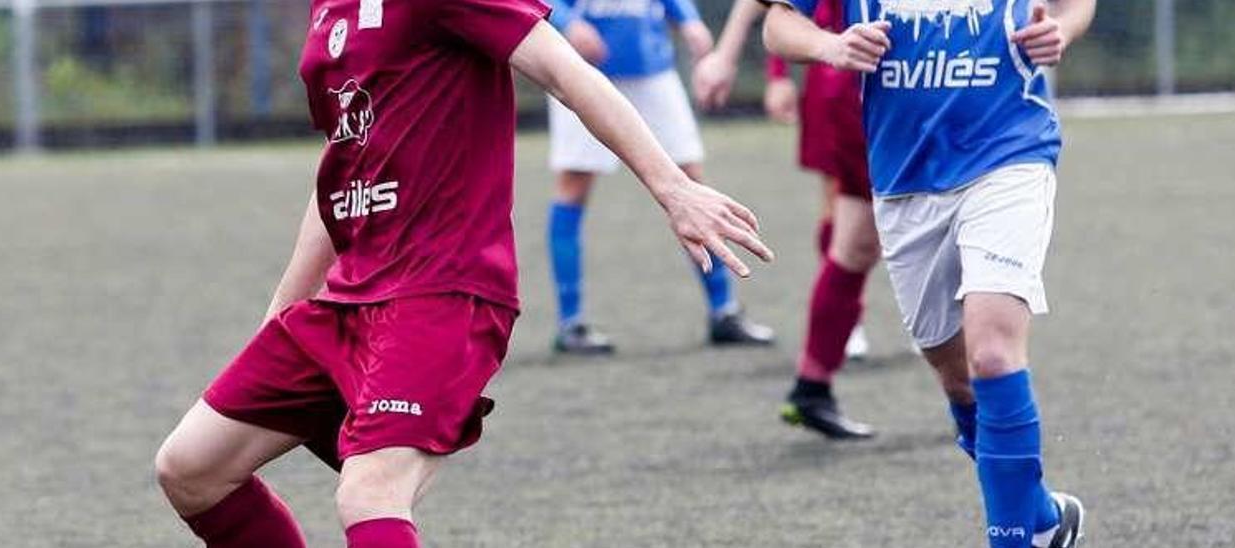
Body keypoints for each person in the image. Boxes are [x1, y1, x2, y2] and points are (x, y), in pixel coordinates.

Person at [152, 2, 774, 546]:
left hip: (442, 292)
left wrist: (673, 188)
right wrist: (281, 314)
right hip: (349, 298)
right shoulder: (328, 10)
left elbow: (566, 71)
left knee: (370, 495)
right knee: (191, 469)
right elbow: (345, 159)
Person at [760, 0, 1094, 546]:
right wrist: (830, 46)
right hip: (904, 178)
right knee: (955, 371)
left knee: (991, 352)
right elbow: (776, 25)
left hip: (1010, 153)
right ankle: (1039, 512)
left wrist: (1063, 28)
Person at [546, 0, 776, 354]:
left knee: (691, 181)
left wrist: (687, 19)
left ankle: (723, 311)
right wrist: (565, 20)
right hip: (581, 68)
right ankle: (571, 322)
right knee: (573, 187)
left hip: (652, 68)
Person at [694, 0, 877, 439]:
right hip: (854, 84)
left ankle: (816, 382)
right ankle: (973, 394)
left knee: (860, 234)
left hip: (904, 91)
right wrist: (763, 70)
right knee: (849, 215)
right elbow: (775, 10)